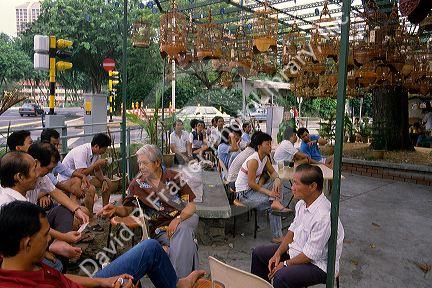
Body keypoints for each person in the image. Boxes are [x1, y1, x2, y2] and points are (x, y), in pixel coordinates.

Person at [0, 201, 206, 288]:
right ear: (26, 243)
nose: (50, 239)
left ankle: (178, 284)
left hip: (87, 283)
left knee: (150, 248)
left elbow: (61, 278)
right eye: (46, 235)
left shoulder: (26, 262)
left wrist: (103, 282)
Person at [98, 144, 199, 278]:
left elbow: (191, 206)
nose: (140, 167)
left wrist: (178, 219)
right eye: (139, 163)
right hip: (161, 231)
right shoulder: (137, 184)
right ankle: (188, 279)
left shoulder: (174, 177)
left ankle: (178, 282)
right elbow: (129, 209)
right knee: (188, 243)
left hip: (184, 219)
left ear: (157, 162)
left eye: (144, 163)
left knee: (183, 228)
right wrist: (115, 209)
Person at [251, 164, 344, 288]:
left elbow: (310, 255)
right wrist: (277, 254)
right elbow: (292, 232)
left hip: (319, 264)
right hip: (298, 251)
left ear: (312, 186)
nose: (292, 187)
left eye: (296, 183)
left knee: (281, 276)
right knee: (258, 254)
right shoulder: (301, 204)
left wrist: (285, 264)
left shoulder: (323, 216)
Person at [0, 150, 86, 270]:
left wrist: (77, 209)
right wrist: (63, 237)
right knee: (56, 266)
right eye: (34, 169)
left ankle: (57, 248)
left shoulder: (32, 182)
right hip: (21, 248)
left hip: (35, 233)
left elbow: (55, 192)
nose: (38, 173)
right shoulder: (8, 205)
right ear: (20, 177)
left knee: (64, 210)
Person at [235, 132, 291, 243]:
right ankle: (277, 236)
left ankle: (276, 201)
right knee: (272, 205)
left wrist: (277, 179)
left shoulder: (265, 158)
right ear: (259, 146)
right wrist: (270, 193)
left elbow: (274, 173)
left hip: (253, 190)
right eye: (268, 144)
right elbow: (251, 183)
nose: (270, 146)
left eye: (270, 143)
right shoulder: (254, 160)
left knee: (279, 182)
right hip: (243, 194)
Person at [60, 133, 116, 227]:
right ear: (96, 146)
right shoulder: (81, 151)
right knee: (91, 189)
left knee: (108, 182)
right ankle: (90, 218)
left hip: (82, 179)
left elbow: (97, 170)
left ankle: (105, 210)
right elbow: (80, 174)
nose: (105, 151)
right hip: (67, 181)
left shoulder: (96, 153)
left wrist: (103, 180)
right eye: (104, 148)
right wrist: (95, 164)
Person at [40, 129, 95, 213]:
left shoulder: (52, 156)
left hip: (49, 188)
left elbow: (65, 170)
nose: (56, 147)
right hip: (42, 191)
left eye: (58, 144)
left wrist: (82, 176)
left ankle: (75, 208)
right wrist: (73, 190)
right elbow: (54, 183)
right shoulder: (38, 157)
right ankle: (74, 210)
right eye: (54, 144)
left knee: (80, 182)